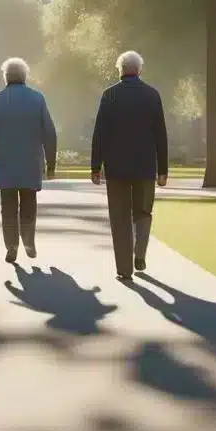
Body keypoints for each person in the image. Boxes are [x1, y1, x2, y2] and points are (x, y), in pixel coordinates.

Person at [90, 50, 168, 281]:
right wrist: (163, 169)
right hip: (145, 166)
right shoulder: (152, 95)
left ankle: (124, 269)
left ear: (120, 69)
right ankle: (140, 253)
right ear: (139, 69)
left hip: (116, 168)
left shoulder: (109, 95)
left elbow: (99, 134)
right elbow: (160, 135)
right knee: (143, 212)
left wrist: (96, 166)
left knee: (120, 217)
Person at [0, 57, 58, 263]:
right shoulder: (37, 99)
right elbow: (49, 133)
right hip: (30, 162)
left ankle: (12, 246)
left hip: (5, 163)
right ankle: (28, 240)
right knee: (29, 204)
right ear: (25, 76)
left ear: (6, 77)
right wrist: (51, 164)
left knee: (8, 207)